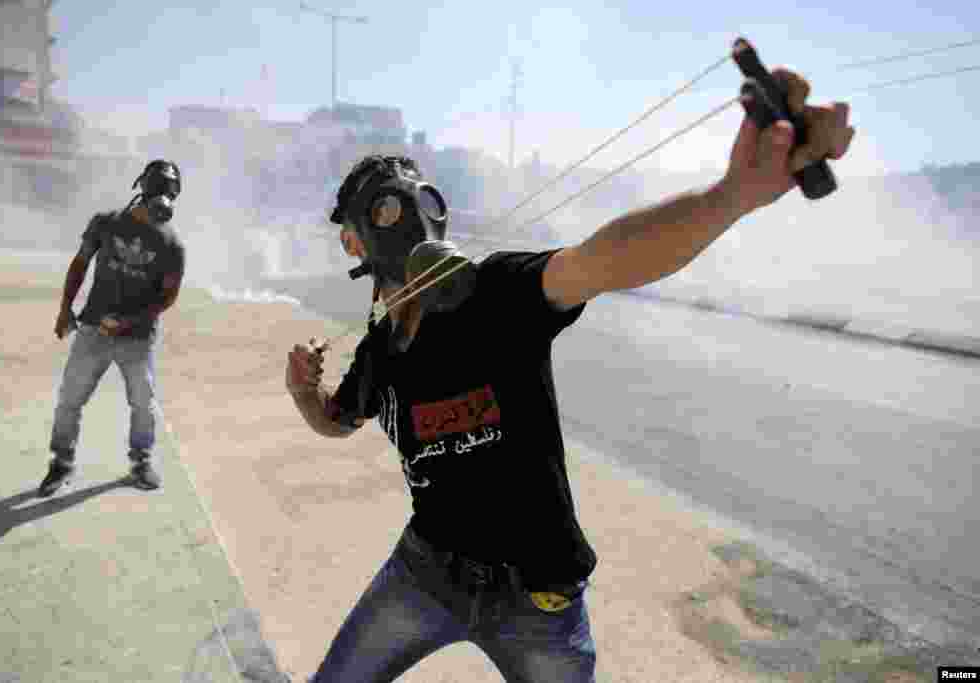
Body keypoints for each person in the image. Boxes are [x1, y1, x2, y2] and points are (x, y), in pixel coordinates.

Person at [286, 68, 854, 682]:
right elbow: (337, 420)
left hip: (538, 601)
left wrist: (732, 196)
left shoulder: (493, 293)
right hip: (424, 574)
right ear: (354, 243)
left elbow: (601, 261)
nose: (412, 222)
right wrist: (303, 391)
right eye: (389, 208)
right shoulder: (378, 351)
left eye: (421, 202)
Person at [38, 160, 186, 497]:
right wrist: (65, 310)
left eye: (170, 193)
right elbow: (80, 263)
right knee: (69, 401)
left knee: (143, 405)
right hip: (93, 331)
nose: (163, 199)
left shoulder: (172, 246)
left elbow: (167, 298)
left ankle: (141, 463)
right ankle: (60, 464)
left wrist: (130, 321)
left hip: (137, 339)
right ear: (143, 190)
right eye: (159, 190)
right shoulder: (106, 223)